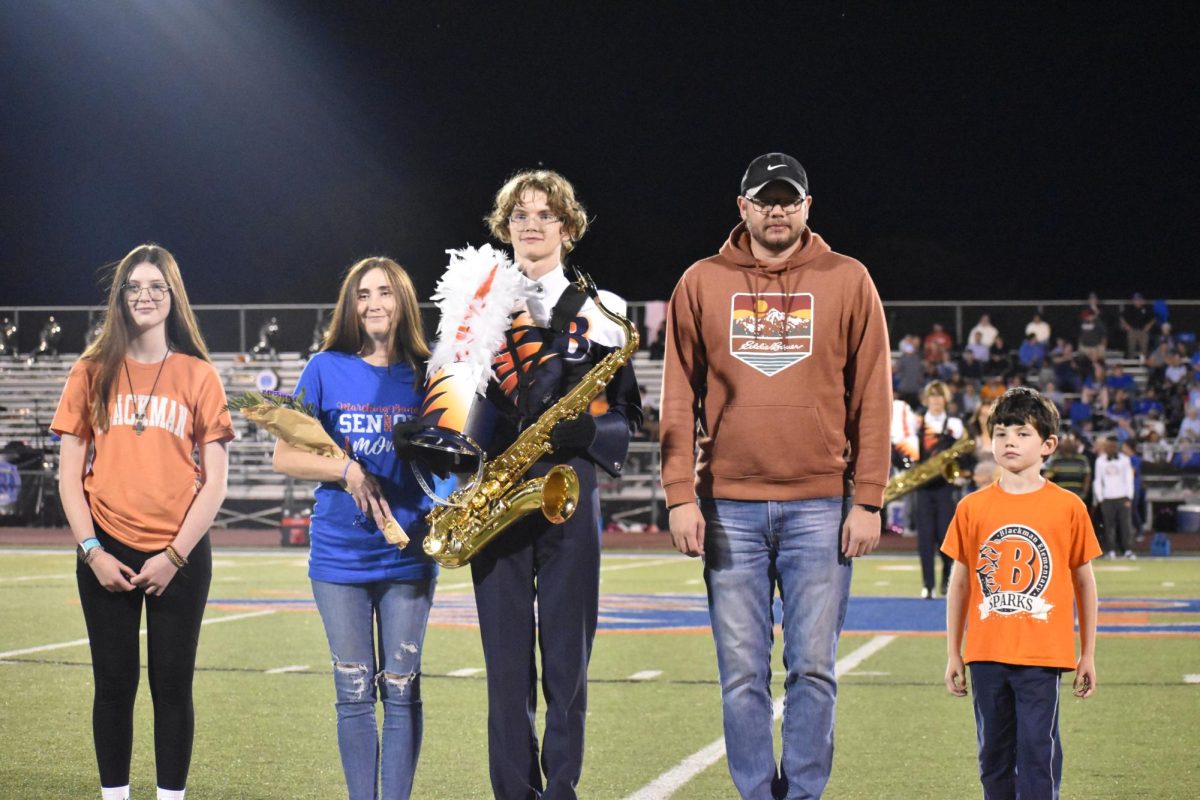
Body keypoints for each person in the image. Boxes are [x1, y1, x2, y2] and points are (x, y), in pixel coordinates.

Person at [660, 152, 890, 799]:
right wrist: (680, 495)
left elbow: (873, 392)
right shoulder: (701, 282)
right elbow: (678, 394)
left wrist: (868, 498)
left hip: (820, 503)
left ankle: (806, 793)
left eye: (790, 199)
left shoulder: (848, 280)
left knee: (814, 670)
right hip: (728, 504)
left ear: (808, 208)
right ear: (743, 208)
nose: (778, 209)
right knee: (741, 674)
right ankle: (758, 793)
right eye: (766, 199)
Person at [470, 169, 641, 799]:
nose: (530, 226)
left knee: (567, 662)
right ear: (504, 226)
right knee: (506, 670)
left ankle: (562, 789)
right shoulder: (476, 304)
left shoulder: (605, 312)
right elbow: (455, 402)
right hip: (495, 497)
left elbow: (628, 417)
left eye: (544, 215)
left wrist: (590, 439)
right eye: (519, 215)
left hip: (569, 491)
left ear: (567, 229)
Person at [51, 244, 235, 800]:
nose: (145, 296)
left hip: (178, 555)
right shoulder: (89, 371)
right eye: (133, 286)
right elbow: (68, 476)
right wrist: (92, 550)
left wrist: (175, 556)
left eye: (156, 286)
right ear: (120, 297)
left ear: (173, 296)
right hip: (104, 549)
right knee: (112, 686)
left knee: (172, 687)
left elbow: (216, 482)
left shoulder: (199, 375)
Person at [272, 257, 438, 800]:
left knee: (402, 688)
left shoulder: (429, 372)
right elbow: (285, 455)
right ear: (351, 305)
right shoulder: (324, 367)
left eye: (385, 293)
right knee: (352, 690)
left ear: (403, 302)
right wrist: (346, 470)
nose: (373, 304)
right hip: (339, 555)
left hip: (408, 553)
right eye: (363, 294)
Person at [942, 387, 1100, 800]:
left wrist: (1088, 653)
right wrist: (953, 652)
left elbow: (1085, 581)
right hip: (986, 653)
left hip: (1043, 657)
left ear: (1048, 444)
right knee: (992, 755)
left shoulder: (1069, 507)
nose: (1009, 440)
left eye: (1022, 432)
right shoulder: (971, 507)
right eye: (1001, 432)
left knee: (1037, 753)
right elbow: (959, 583)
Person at [915, 380, 966, 598]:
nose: (936, 401)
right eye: (932, 396)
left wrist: (958, 473)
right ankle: (928, 584)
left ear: (946, 399)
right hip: (923, 488)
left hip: (945, 487)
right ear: (926, 399)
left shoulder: (954, 424)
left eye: (940, 396)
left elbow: (963, 455)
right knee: (925, 538)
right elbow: (906, 453)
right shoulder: (917, 424)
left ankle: (946, 581)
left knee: (945, 536)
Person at [1093, 436, 1136, 559]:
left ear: (1116, 446)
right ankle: (1111, 550)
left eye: (1113, 445)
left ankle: (1128, 550)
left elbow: (1129, 479)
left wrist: (1129, 497)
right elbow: (1098, 480)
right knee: (1108, 526)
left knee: (1126, 525)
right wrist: (1100, 498)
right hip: (1107, 498)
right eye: (1108, 445)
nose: (1110, 448)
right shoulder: (1100, 461)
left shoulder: (1125, 460)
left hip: (1122, 497)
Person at [1044, 431, 1092, 501]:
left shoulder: (1082, 459)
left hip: (1078, 497)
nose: (1068, 444)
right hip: (1060, 497)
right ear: (1061, 444)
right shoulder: (1056, 460)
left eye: (1070, 442)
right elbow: (1047, 477)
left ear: (1074, 444)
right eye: (1066, 442)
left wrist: (1084, 493)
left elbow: (1087, 478)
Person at [1120, 292, 1156, 360]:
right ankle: (1131, 363)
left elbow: (1153, 318)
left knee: (1144, 349)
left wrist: (1149, 325)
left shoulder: (1146, 308)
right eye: (1135, 299)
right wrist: (1126, 326)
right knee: (1131, 348)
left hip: (1143, 331)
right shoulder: (1130, 308)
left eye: (1139, 299)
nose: (1137, 301)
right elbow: (1122, 317)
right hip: (1132, 331)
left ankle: (1144, 364)